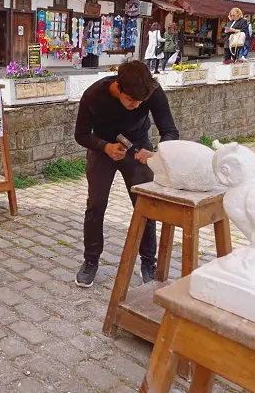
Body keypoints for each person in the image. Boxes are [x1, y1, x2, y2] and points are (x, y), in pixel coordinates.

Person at [74, 60, 179, 287]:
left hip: (138, 146)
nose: (135, 105)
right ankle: (90, 261)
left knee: (145, 205)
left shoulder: (152, 91)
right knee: (96, 204)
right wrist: (105, 147)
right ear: (118, 87)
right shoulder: (93, 95)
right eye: (131, 100)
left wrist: (155, 153)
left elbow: (170, 131)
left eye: (140, 101)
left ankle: (148, 262)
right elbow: (81, 134)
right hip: (102, 147)